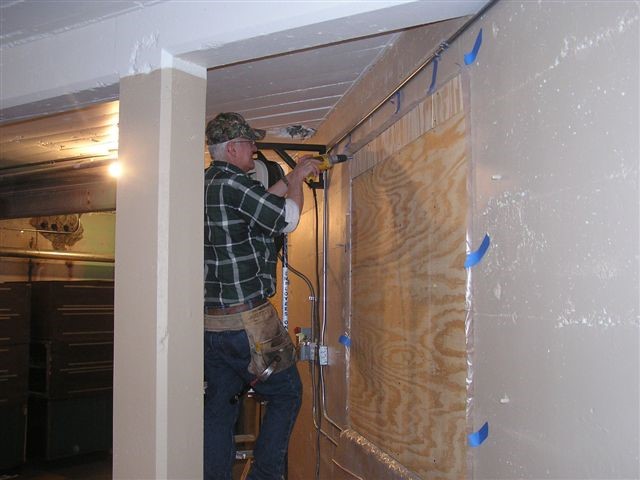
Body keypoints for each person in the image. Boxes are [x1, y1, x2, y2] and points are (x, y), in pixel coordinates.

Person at [203, 112, 320, 480]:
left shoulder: (208, 185)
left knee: (218, 409)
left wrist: (290, 178)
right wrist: (299, 183)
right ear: (233, 148)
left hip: (211, 326)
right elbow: (286, 218)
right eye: (249, 144)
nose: (255, 150)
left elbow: (259, 206)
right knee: (286, 395)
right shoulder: (236, 184)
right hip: (248, 323)